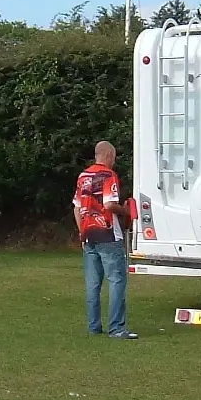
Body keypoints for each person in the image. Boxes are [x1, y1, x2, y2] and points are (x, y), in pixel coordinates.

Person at [72, 141, 137, 340]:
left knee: (93, 284)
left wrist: (81, 233)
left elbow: (76, 207)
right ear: (108, 155)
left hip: (89, 235)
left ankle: (94, 327)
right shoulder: (109, 175)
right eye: (114, 157)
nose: (114, 161)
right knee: (117, 280)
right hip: (108, 234)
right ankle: (117, 328)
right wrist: (125, 211)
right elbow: (109, 204)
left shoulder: (83, 176)